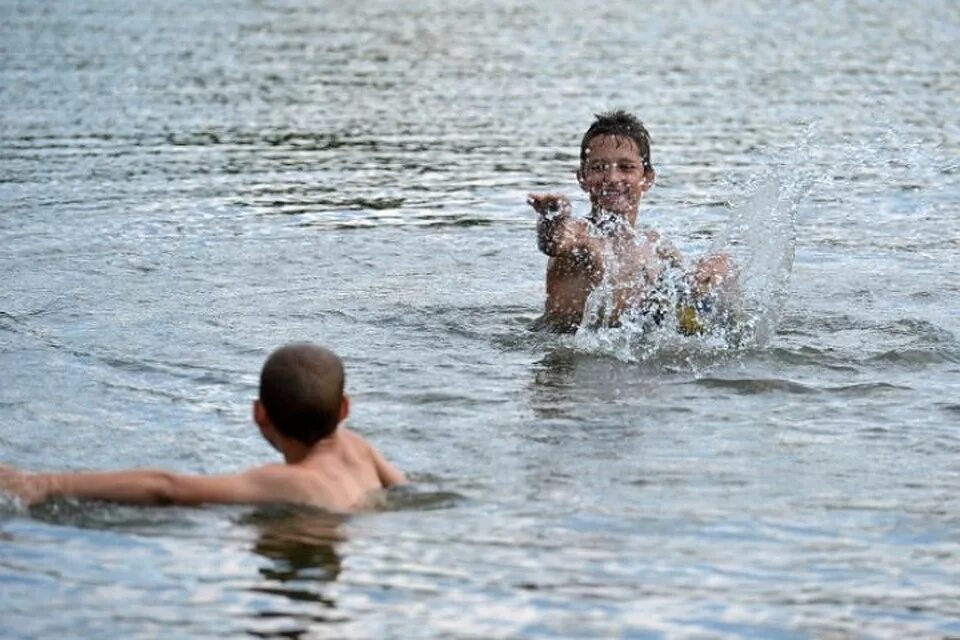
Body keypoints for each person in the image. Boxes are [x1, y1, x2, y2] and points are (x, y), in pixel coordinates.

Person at [0, 342, 406, 512]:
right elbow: (405, 492)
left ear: (258, 414)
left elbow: (168, 487)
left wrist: (47, 483)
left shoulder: (286, 482)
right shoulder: (358, 447)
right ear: (345, 409)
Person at [528, 110, 737, 333]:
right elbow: (554, 242)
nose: (612, 179)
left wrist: (707, 278)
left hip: (628, 345)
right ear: (582, 178)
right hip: (570, 353)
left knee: (723, 266)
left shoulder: (655, 245)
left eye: (626, 168)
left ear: (647, 178)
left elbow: (684, 292)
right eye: (598, 168)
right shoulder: (583, 234)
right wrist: (552, 219)